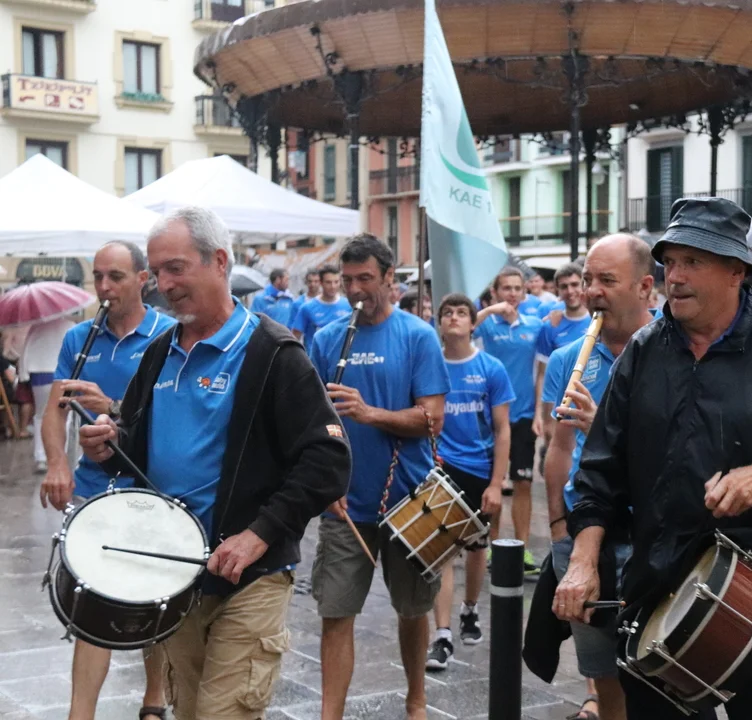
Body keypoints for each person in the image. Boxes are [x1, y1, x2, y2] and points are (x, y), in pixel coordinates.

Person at [554, 197, 752, 720]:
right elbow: (599, 470)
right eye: (671, 262)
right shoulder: (643, 351)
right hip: (657, 584)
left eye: (694, 261)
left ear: (736, 271)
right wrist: (582, 560)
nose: (676, 276)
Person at [78, 206, 351, 720]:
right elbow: (134, 441)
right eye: (157, 271)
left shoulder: (273, 352)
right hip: (176, 574)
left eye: (176, 268)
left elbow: (328, 459)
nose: (163, 284)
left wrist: (259, 534)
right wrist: (110, 443)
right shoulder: (159, 352)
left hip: (250, 577)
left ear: (219, 261)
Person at [309, 234, 450, 720]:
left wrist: (369, 413)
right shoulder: (327, 340)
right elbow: (314, 423)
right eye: (347, 280)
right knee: (335, 612)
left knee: (413, 609)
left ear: (390, 278)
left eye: (365, 279)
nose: (354, 290)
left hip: (409, 501)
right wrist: (324, 485)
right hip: (345, 503)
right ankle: (330, 714)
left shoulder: (418, 336)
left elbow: (433, 419)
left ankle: (416, 699)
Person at [38, 242, 176, 720]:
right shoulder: (79, 338)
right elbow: (55, 411)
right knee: (91, 606)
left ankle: (154, 699)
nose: (103, 287)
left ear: (143, 279)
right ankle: (81, 714)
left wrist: (112, 406)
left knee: (157, 600)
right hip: (94, 488)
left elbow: (174, 414)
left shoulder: (168, 334)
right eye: (98, 276)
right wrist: (57, 463)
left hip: (150, 488)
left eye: (115, 276)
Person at [544, 233, 656, 720]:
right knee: (603, 673)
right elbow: (558, 448)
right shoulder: (569, 358)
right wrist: (557, 529)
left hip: (648, 532)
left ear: (645, 287)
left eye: (606, 280)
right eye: (589, 279)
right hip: (584, 533)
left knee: (654, 672)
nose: (592, 291)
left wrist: (604, 429)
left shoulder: (669, 352)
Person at [425, 293, 513, 671]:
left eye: (462, 312)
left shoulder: (491, 368)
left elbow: (503, 429)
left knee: (477, 549)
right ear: (440, 323)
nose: (454, 318)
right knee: (442, 553)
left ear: (473, 323)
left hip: (480, 469)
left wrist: (496, 483)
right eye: (448, 313)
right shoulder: (429, 365)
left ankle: (470, 609)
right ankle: (442, 636)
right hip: (440, 469)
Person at [473, 267, 544, 576]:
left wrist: (540, 413)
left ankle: (522, 549)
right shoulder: (488, 324)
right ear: (496, 292)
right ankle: (493, 547)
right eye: (506, 288)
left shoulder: (535, 325)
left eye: (517, 288)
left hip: (524, 416)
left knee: (523, 483)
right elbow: (463, 330)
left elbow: (541, 373)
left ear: (524, 293)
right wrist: (491, 309)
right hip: (492, 416)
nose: (512, 294)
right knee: (494, 484)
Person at [533, 263, 590, 439]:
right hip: (561, 407)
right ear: (557, 290)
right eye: (564, 286)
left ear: (583, 285)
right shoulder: (550, 326)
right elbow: (542, 373)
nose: (570, 291)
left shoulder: (597, 320)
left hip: (593, 403)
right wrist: (539, 414)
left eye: (574, 284)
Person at [23, 313, 76, 473]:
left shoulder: (36, 327)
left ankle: (41, 457)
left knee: (40, 415)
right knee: (64, 415)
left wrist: (23, 374)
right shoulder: (70, 326)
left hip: (40, 373)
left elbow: (26, 351)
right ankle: (61, 453)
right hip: (63, 375)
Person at [291, 264, 352, 349]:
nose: (333, 286)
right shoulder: (307, 308)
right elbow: (295, 337)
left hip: (340, 355)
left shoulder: (348, 305)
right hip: (314, 356)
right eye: (328, 282)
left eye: (336, 282)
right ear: (321, 283)